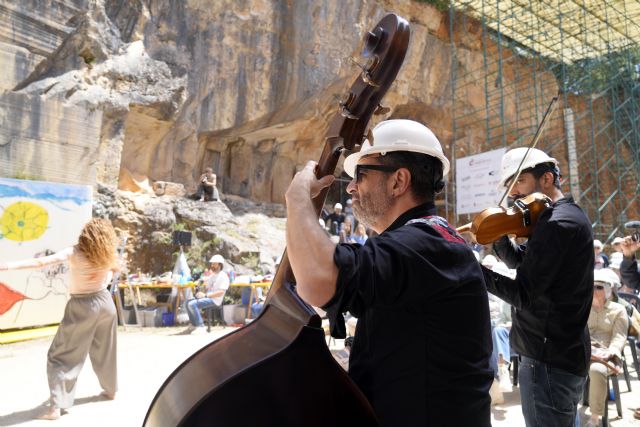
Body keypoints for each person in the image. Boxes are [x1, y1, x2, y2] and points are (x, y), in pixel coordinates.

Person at [285, 119, 493, 426]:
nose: (352, 187)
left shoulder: (425, 245)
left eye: (361, 175)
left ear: (398, 181)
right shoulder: (427, 241)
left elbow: (318, 279)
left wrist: (298, 197)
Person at [483, 147, 593, 427]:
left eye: (518, 181)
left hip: (548, 359)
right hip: (560, 354)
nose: (513, 193)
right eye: (510, 185)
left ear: (546, 179)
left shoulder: (556, 223)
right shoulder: (563, 215)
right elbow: (524, 263)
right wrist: (499, 237)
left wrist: (475, 271)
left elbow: (523, 295)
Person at [0, 218, 120, 420]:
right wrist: (104, 284)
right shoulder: (107, 254)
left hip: (83, 306)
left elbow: (40, 262)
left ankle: (56, 407)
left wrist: (5, 266)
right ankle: (110, 390)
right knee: (105, 350)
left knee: (60, 356)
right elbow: (112, 272)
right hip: (106, 303)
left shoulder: (74, 252)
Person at [585, 269, 628, 427]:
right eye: (592, 286)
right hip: (583, 351)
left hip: (606, 355)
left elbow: (620, 336)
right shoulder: (582, 307)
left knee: (597, 370)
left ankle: (595, 418)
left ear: (609, 289)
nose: (594, 290)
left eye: (599, 287)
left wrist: (613, 350)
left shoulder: (618, 310)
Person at [184, 254, 229, 334]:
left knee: (192, 304)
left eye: (214, 264)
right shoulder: (212, 276)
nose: (212, 265)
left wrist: (205, 295)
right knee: (187, 303)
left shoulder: (223, 276)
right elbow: (207, 287)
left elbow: (221, 293)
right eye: (212, 264)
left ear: (220, 265)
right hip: (209, 298)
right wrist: (200, 284)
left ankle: (201, 327)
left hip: (215, 301)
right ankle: (194, 325)